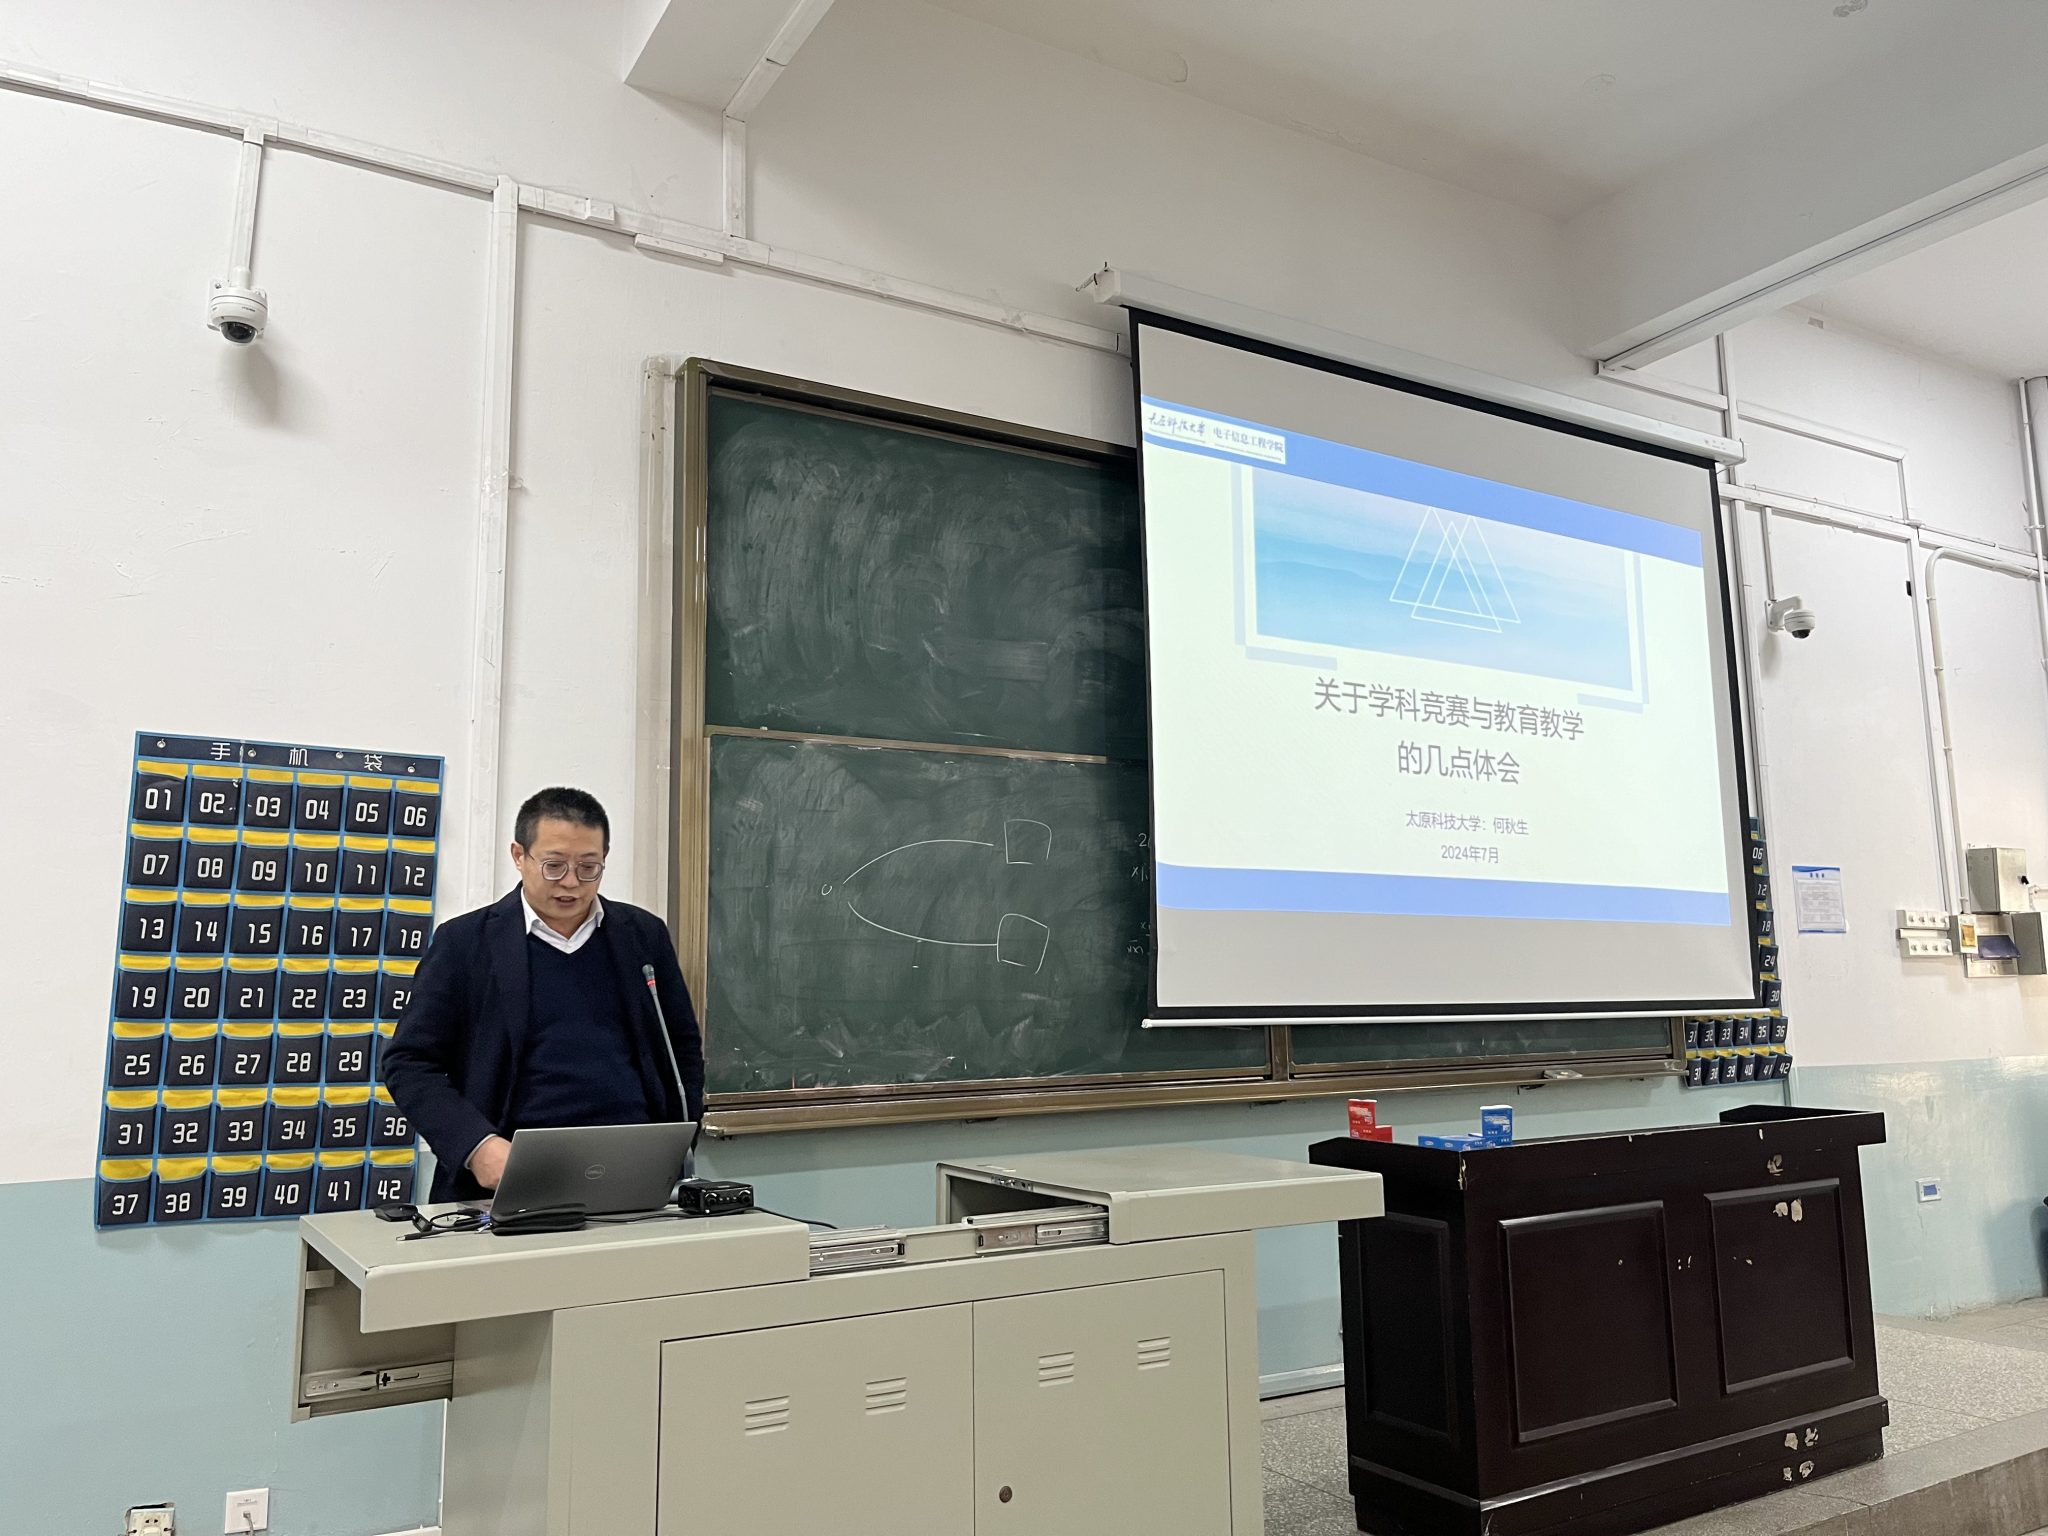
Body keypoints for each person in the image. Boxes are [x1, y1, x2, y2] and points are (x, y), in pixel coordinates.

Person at [381, 786, 703, 1204]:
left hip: (635, 1170)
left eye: (589, 867)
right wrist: (476, 1146)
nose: (571, 882)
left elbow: (681, 1048)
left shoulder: (642, 936)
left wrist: (680, 1140)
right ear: (519, 855)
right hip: (508, 1177)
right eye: (554, 866)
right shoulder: (465, 943)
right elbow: (409, 1063)